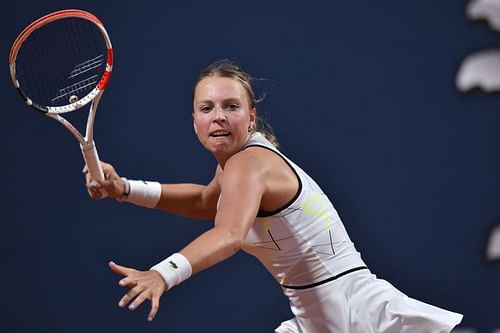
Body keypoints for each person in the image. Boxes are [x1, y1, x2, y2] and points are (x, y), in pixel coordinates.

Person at [84, 59, 463, 332]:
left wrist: (162, 274)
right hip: (319, 321)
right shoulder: (234, 167)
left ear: (250, 118)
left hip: (365, 318)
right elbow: (205, 202)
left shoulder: (250, 163)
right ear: (194, 121)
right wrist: (125, 189)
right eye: (207, 108)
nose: (218, 116)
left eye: (231, 107)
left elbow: (230, 234)